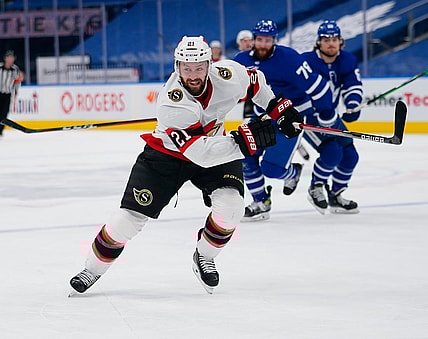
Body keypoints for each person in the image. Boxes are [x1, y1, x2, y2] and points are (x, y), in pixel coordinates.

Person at [69, 36, 302, 295]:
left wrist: (278, 108)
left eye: (199, 67)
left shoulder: (227, 76)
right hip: (167, 158)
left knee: (231, 208)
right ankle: (92, 269)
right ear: (177, 66)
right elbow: (199, 154)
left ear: (209, 64)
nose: (193, 75)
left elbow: (255, 81)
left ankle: (205, 256)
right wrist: (246, 142)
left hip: (215, 147)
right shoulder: (172, 103)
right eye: (186, 68)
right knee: (126, 222)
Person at [234, 19, 337, 221]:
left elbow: (317, 86)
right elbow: (225, 89)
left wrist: (327, 114)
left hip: (289, 118)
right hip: (262, 117)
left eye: (268, 40)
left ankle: (293, 173)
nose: (264, 44)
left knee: (272, 169)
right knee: (245, 155)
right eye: (260, 40)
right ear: (253, 40)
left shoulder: (289, 58)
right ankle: (261, 202)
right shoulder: (241, 60)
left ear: (275, 40)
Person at [301, 20, 363, 214]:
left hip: (332, 117)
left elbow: (352, 84)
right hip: (308, 118)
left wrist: (353, 105)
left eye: (334, 39)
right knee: (332, 153)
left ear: (341, 41)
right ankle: (316, 186)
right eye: (326, 39)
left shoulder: (347, 60)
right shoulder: (306, 61)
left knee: (350, 156)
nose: (331, 43)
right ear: (318, 42)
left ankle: (336, 195)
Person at [0, 50, 21, 137]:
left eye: (12, 58)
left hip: (8, 94)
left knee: (4, 113)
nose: (11, 59)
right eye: (9, 57)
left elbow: (17, 81)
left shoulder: (15, 69)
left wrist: (15, 92)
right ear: (5, 58)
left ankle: (0, 131)